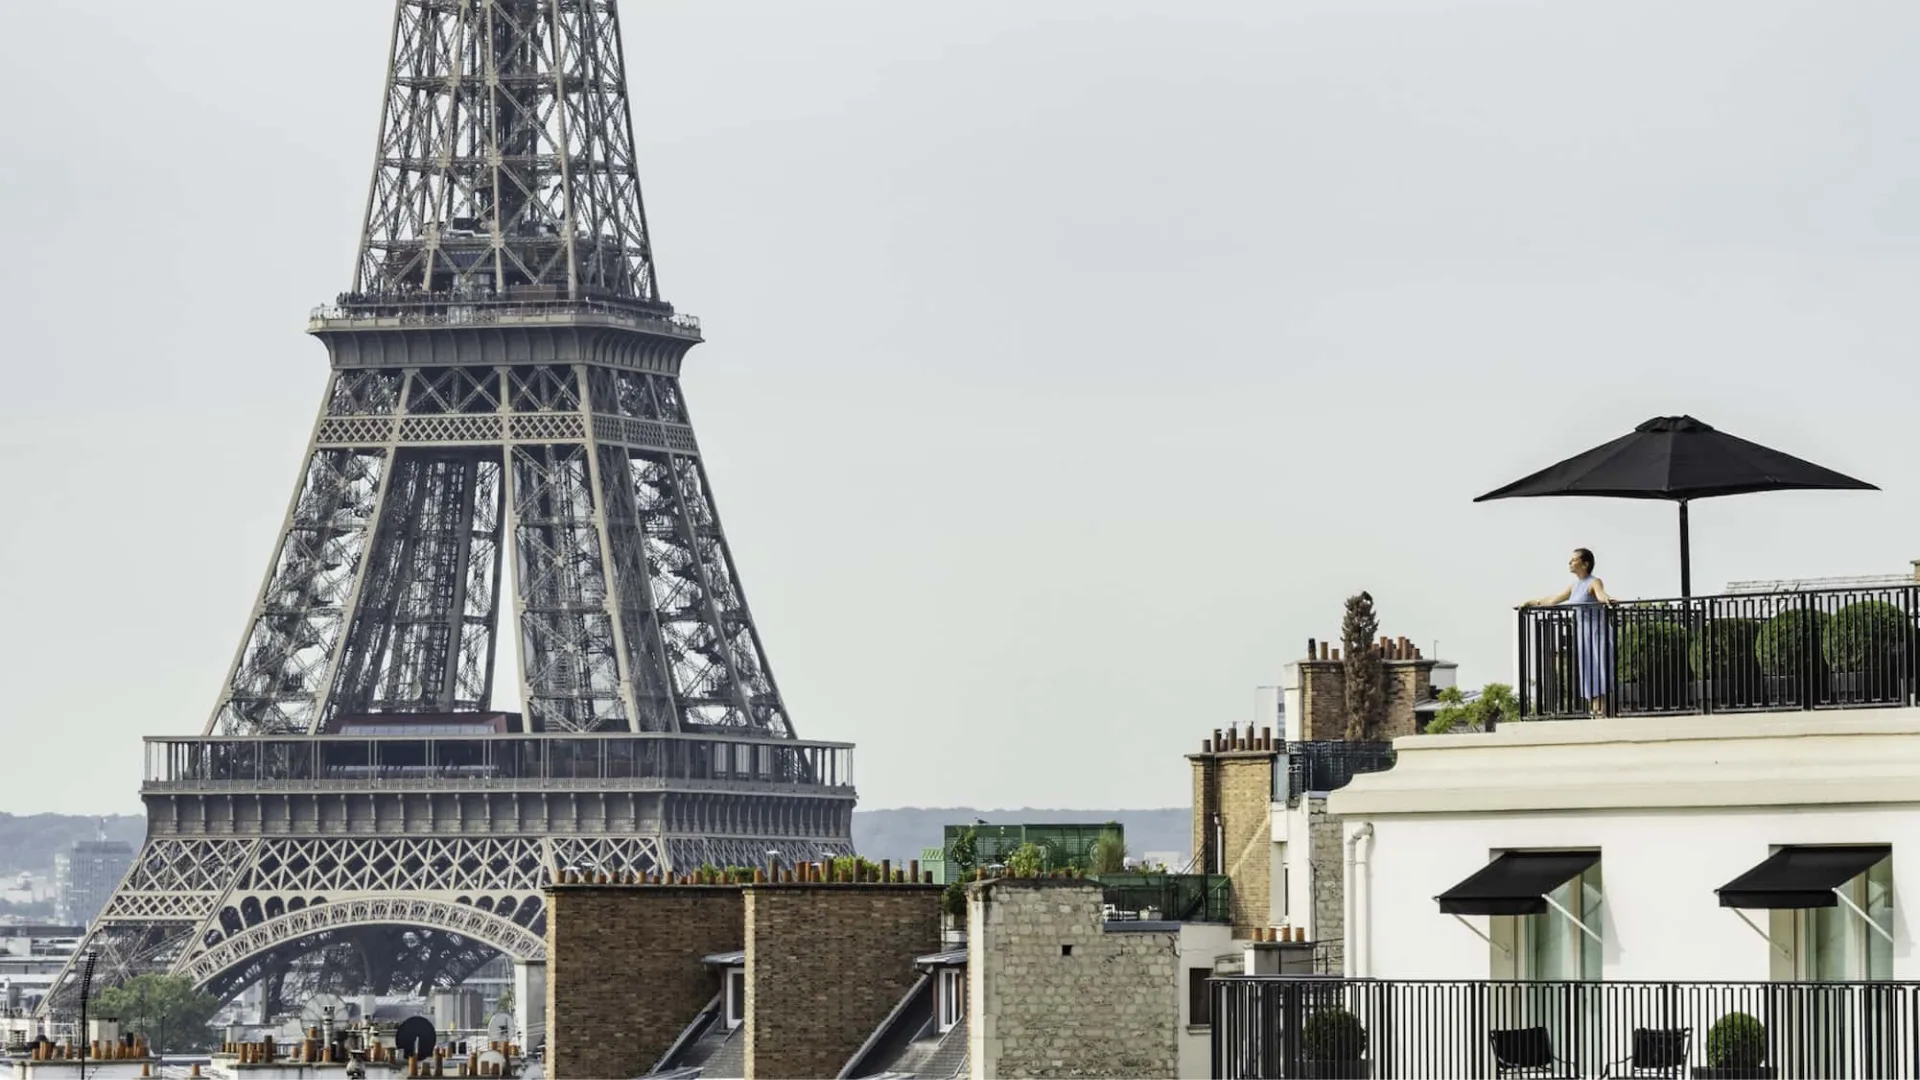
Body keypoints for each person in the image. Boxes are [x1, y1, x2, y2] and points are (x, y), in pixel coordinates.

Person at [1522, 548, 1616, 717]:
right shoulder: (1574, 586)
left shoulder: (1594, 582)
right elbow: (1552, 600)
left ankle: (1604, 711)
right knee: (1588, 669)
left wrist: (1608, 600)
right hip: (1583, 635)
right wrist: (1532, 602)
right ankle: (1596, 710)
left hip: (1598, 633)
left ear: (1585, 563)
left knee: (1601, 668)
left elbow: (1601, 595)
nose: (1570, 562)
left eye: (1574, 560)